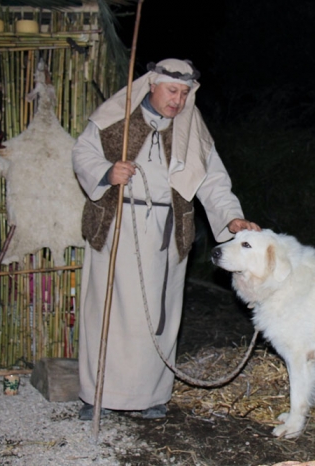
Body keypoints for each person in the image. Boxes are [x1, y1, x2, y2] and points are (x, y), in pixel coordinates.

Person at [72, 58, 260, 420]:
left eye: (185, 93)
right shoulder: (116, 118)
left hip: (167, 229)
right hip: (118, 223)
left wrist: (232, 219)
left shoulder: (192, 129)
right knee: (109, 311)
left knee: (159, 314)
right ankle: (98, 395)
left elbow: (213, 180)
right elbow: (83, 153)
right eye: (172, 90)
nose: (178, 99)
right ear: (152, 85)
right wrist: (108, 171)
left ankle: (151, 395)